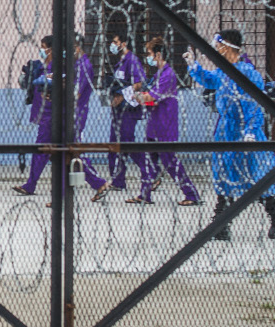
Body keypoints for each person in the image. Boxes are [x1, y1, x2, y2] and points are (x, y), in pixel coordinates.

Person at [187, 29, 275, 240]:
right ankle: (221, 223)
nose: (215, 51)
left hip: (245, 131)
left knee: (255, 176)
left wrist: (251, 132)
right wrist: (193, 66)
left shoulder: (247, 72)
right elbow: (209, 80)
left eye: (218, 47)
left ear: (227, 47)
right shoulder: (223, 71)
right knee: (225, 174)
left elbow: (256, 104)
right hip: (226, 131)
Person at [13, 35, 111, 200]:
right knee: (51, 151)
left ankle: (91, 185)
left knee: (69, 152)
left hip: (68, 115)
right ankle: (39, 186)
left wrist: (53, 90)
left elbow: (74, 92)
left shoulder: (82, 66)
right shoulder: (67, 65)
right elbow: (56, 79)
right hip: (57, 114)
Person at [129, 38, 200, 206]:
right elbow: (148, 95)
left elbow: (152, 96)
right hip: (154, 123)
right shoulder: (158, 74)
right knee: (149, 160)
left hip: (164, 124)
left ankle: (191, 194)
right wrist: (141, 96)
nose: (148, 57)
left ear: (158, 54)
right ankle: (144, 194)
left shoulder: (168, 75)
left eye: (150, 54)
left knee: (170, 161)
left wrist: (139, 97)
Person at [106, 33, 151, 191]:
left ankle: (149, 172)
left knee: (127, 144)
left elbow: (139, 83)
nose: (113, 44)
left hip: (127, 109)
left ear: (124, 43)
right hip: (118, 109)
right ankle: (117, 180)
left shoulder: (132, 61)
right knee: (114, 144)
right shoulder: (120, 62)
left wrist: (122, 94)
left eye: (115, 41)